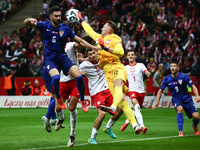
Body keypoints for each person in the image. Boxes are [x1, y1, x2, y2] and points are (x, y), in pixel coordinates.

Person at [77, 12, 143, 134]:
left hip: (116, 66)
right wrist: (81, 20)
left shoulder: (114, 38)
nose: (101, 28)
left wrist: (106, 48)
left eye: (103, 26)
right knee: (123, 103)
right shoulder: (99, 38)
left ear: (109, 29)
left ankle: (112, 106)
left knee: (118, 86)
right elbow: (90, 30)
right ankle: (135, 126)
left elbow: (121, 52)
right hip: (107, 73)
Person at [23, 6, 99, 111]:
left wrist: (92, 47)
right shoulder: (45, 25)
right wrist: (29, 20)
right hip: (50, 59)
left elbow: (79, 41)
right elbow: (26, 23)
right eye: (56, 16)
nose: (58, 18)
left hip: (62, 58)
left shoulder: (65, 28)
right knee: (55, 78)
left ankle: (82, 100)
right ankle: (58, 98)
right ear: (50, 17)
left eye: (59, 16)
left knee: (79, 77)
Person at [80, 48, 124, 144]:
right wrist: (79, 74)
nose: (93, 55)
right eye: (90, 54)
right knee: (103, 114)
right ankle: (92, 137)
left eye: (94, 53)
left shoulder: (103, 59)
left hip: (107, 90)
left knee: (120, 109)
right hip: (97, 93)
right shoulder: (84, 65)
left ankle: (108, 127)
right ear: (88, 56)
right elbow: (72, 72)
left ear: (97, 53)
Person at [155, 61, 200, 137]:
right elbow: (160, 91)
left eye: (174, 66)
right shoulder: (166, 79)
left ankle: (195, 126)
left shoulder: (184, 76)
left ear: (178, 68)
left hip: (186, 99)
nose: (173, 68)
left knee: (196, 117)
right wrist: (157, 101)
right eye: (171, 66)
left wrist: (197, 96)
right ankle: (180, 131)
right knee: (179, 108)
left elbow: (193, 86)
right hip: (176, 99)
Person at [120, 50, 155, 132]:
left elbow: (149, 75)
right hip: (131, 90)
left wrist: (152, 73)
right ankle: (142, 126)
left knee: (136, 110)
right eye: (129, 55)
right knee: (136, 106)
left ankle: (127, 121)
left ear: (135, 56)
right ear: (127, 57)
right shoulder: (125, 68)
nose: (131, 56)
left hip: (141, 91)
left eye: (132, 55)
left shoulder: (141, 65)